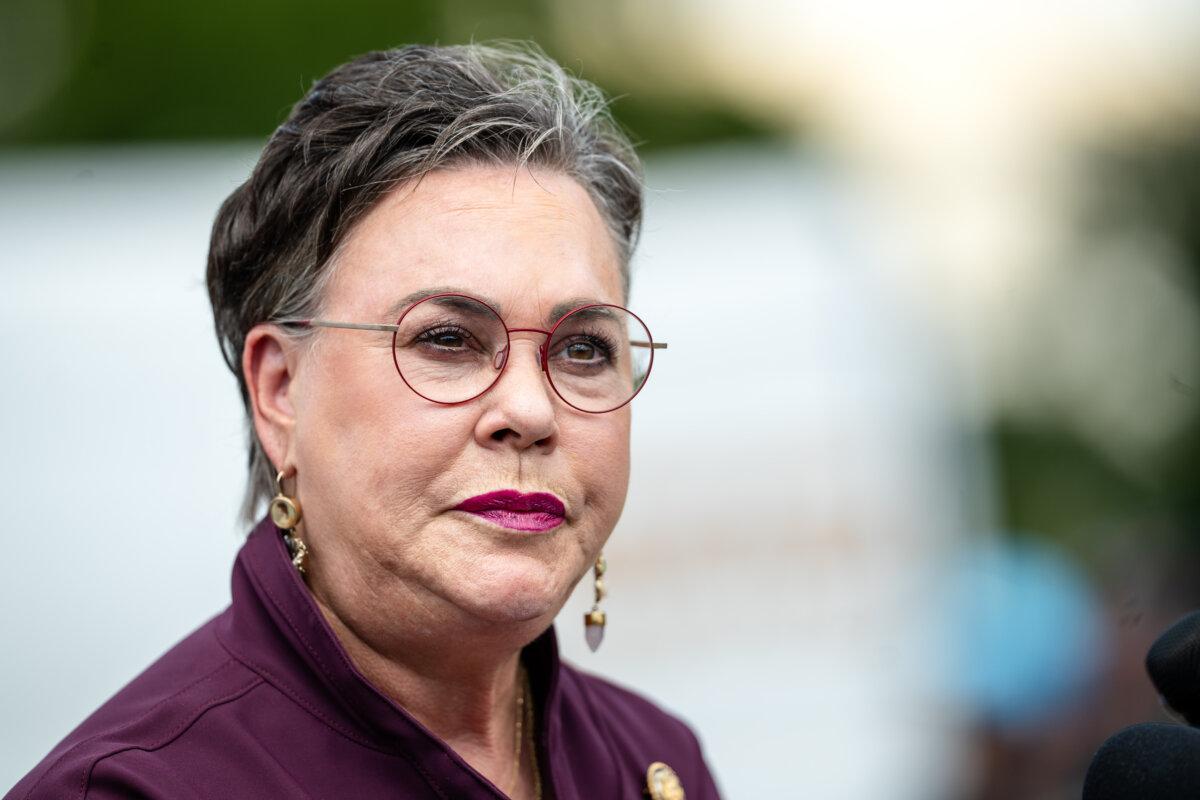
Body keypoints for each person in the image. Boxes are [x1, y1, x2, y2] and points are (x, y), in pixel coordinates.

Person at [5, 42, 719, 800]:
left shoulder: (652, 762)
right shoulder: (137, 789)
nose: (530, 411)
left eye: (582, 348)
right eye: (447, 338)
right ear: (281, 390)